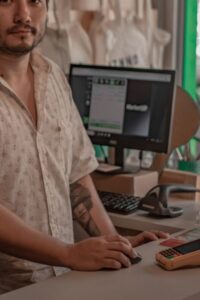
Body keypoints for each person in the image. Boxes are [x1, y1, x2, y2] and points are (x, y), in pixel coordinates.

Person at [0, 0, 169, 294]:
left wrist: (116, 245)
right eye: (6, 1)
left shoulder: (52, 77)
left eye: (35, 1)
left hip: (66, 284)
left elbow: (76, 176)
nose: (24, 15)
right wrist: (68, 253)